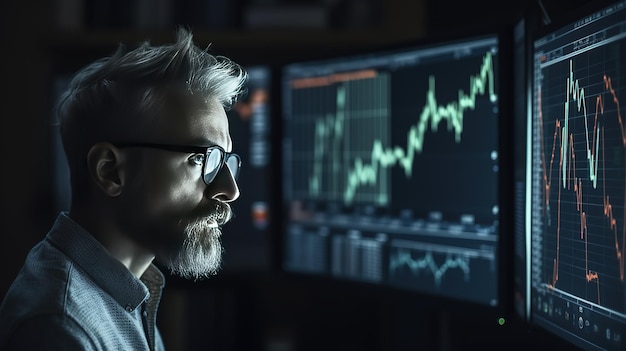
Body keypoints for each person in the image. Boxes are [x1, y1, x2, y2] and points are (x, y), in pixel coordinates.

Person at [0, 27, 248, 350]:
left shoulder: (129, 289)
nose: (230, 190)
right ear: (110, 171)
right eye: (204, 159)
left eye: (225, 161)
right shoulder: (59, 331)